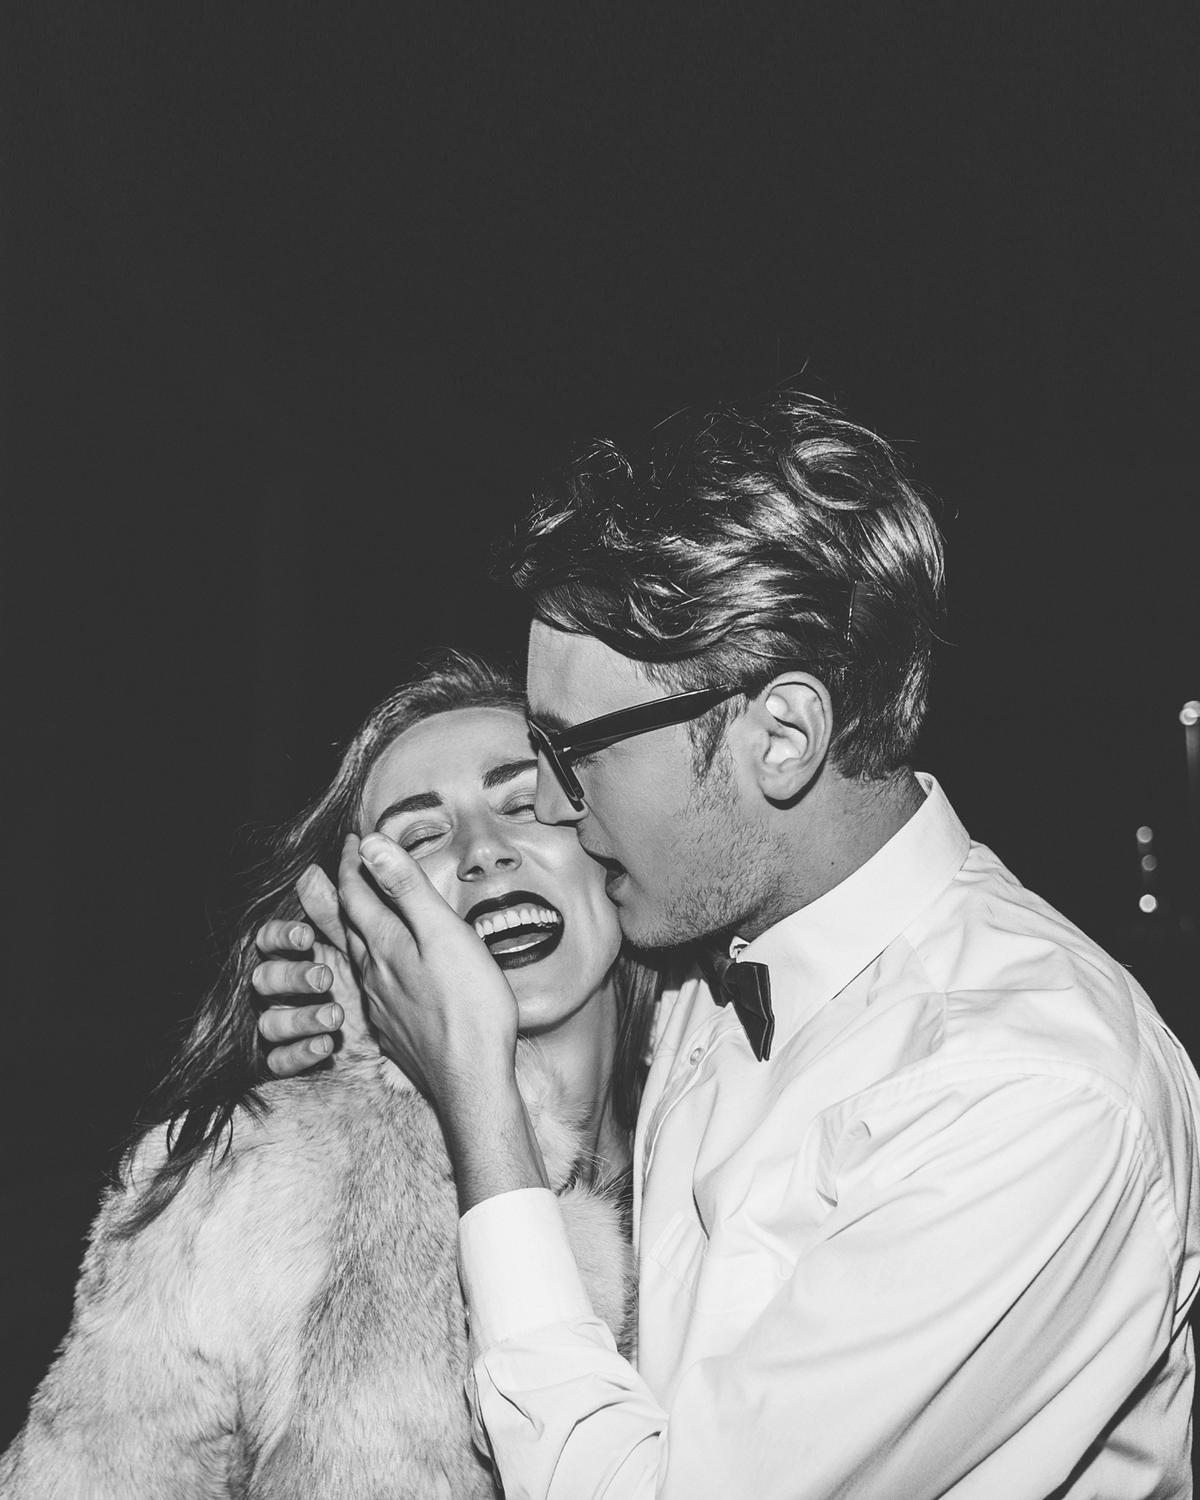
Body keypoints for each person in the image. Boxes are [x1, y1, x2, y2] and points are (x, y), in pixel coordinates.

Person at [263, 392, 1200, 1499]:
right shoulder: (716, 952)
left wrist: (473, 1093)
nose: (557, 808)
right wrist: (363, 1019)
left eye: (576, 752)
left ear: (784, 736)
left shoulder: (1026, 1097)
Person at [1, 652, 654, 1498]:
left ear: (614, 842)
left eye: (525, 803)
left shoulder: (732, 1120)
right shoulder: (243, 1182)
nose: (482, 852)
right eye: (418, 837)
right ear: (363, 916)